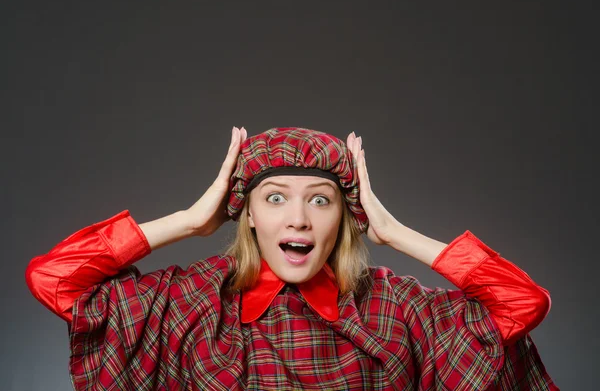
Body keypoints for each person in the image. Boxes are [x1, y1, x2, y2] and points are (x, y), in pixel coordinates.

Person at [25, 126, 559, 390]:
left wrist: (395, 233)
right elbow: (56, 280)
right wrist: (189, 219)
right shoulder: (189, 301)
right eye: (275, 197)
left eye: (320, 200)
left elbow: (520, 303)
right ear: (249, 213)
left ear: (343, 216)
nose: (299, 219)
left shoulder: (396, 305)